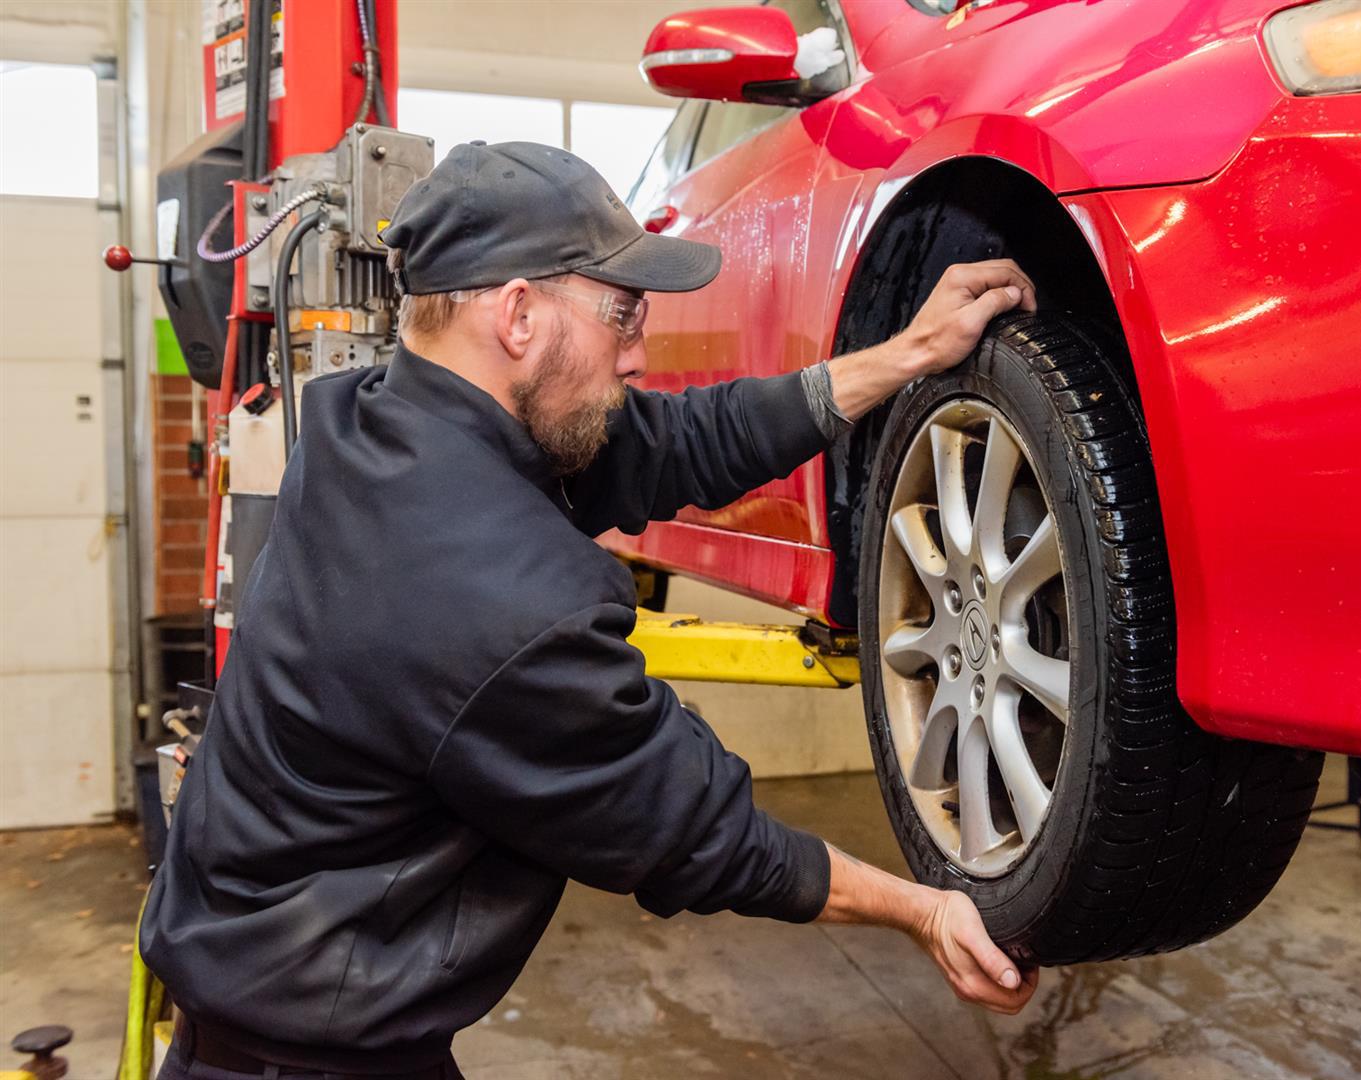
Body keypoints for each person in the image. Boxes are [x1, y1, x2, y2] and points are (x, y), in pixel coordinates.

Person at [143, 142, 1040, 1079]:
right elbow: (700, 833)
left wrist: (905, 356)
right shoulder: (499, 604)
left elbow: (688, 438)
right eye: (624, 314)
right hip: (306, 1058)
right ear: (519, 314)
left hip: (279, 1006)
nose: (642, 351)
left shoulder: (361, 424)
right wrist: (925, 910)